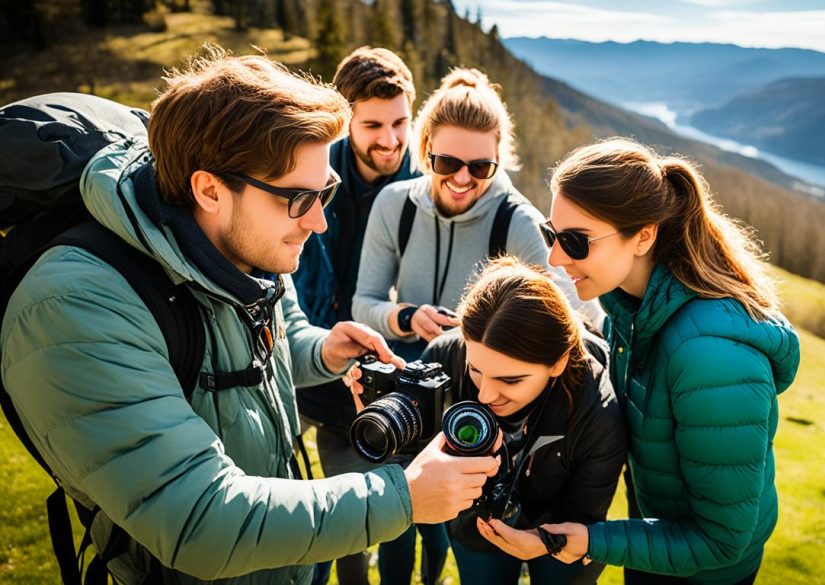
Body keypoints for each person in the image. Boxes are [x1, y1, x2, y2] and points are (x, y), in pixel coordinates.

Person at [0, 48, 499, 585]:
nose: (319, 223)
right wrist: (403, 497)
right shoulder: (77, 305)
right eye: (299, 199)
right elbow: (199, 520)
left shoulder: (243, 245)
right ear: (209, 189)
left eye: (325, 192)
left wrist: (323, 350)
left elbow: (276, 339)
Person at [492, 138, 801, 584]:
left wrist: (592, 541)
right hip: (655, 548)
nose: (556, 258)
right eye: (551, 235)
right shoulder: (627, 311)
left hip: (705, 572)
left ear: (644, 236)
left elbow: (721, 540)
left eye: (576, 242)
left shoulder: (712, 359)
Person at [351, 257, 627, 585]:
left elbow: (584, 517)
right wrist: (386, 425)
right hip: (476, 525)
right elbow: (412, 456)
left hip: (562, 527)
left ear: (558, 362)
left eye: (510, 380)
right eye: (476, 371)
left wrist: (545, 542)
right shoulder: (444, 358)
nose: (485, 395)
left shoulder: (598, 409)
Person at [352, 67, 602, 366]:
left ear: (499, 159)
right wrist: (407, 318)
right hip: (409, 381)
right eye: (447, 163)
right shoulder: (395, 205)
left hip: (485, 391)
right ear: (428, 147)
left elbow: (580, 322)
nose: (461, 178)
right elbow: (364, 302)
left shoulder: (517, 222)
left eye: (480, 167)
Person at [290, 46, 422, 585]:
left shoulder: (430, 186)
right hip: (324, 373)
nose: (389, 140)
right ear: (345, 121)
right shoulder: (315, 181)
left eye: (400, 123)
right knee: (343, 516)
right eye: (372, 125)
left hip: (406, 380)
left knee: (408, 519)